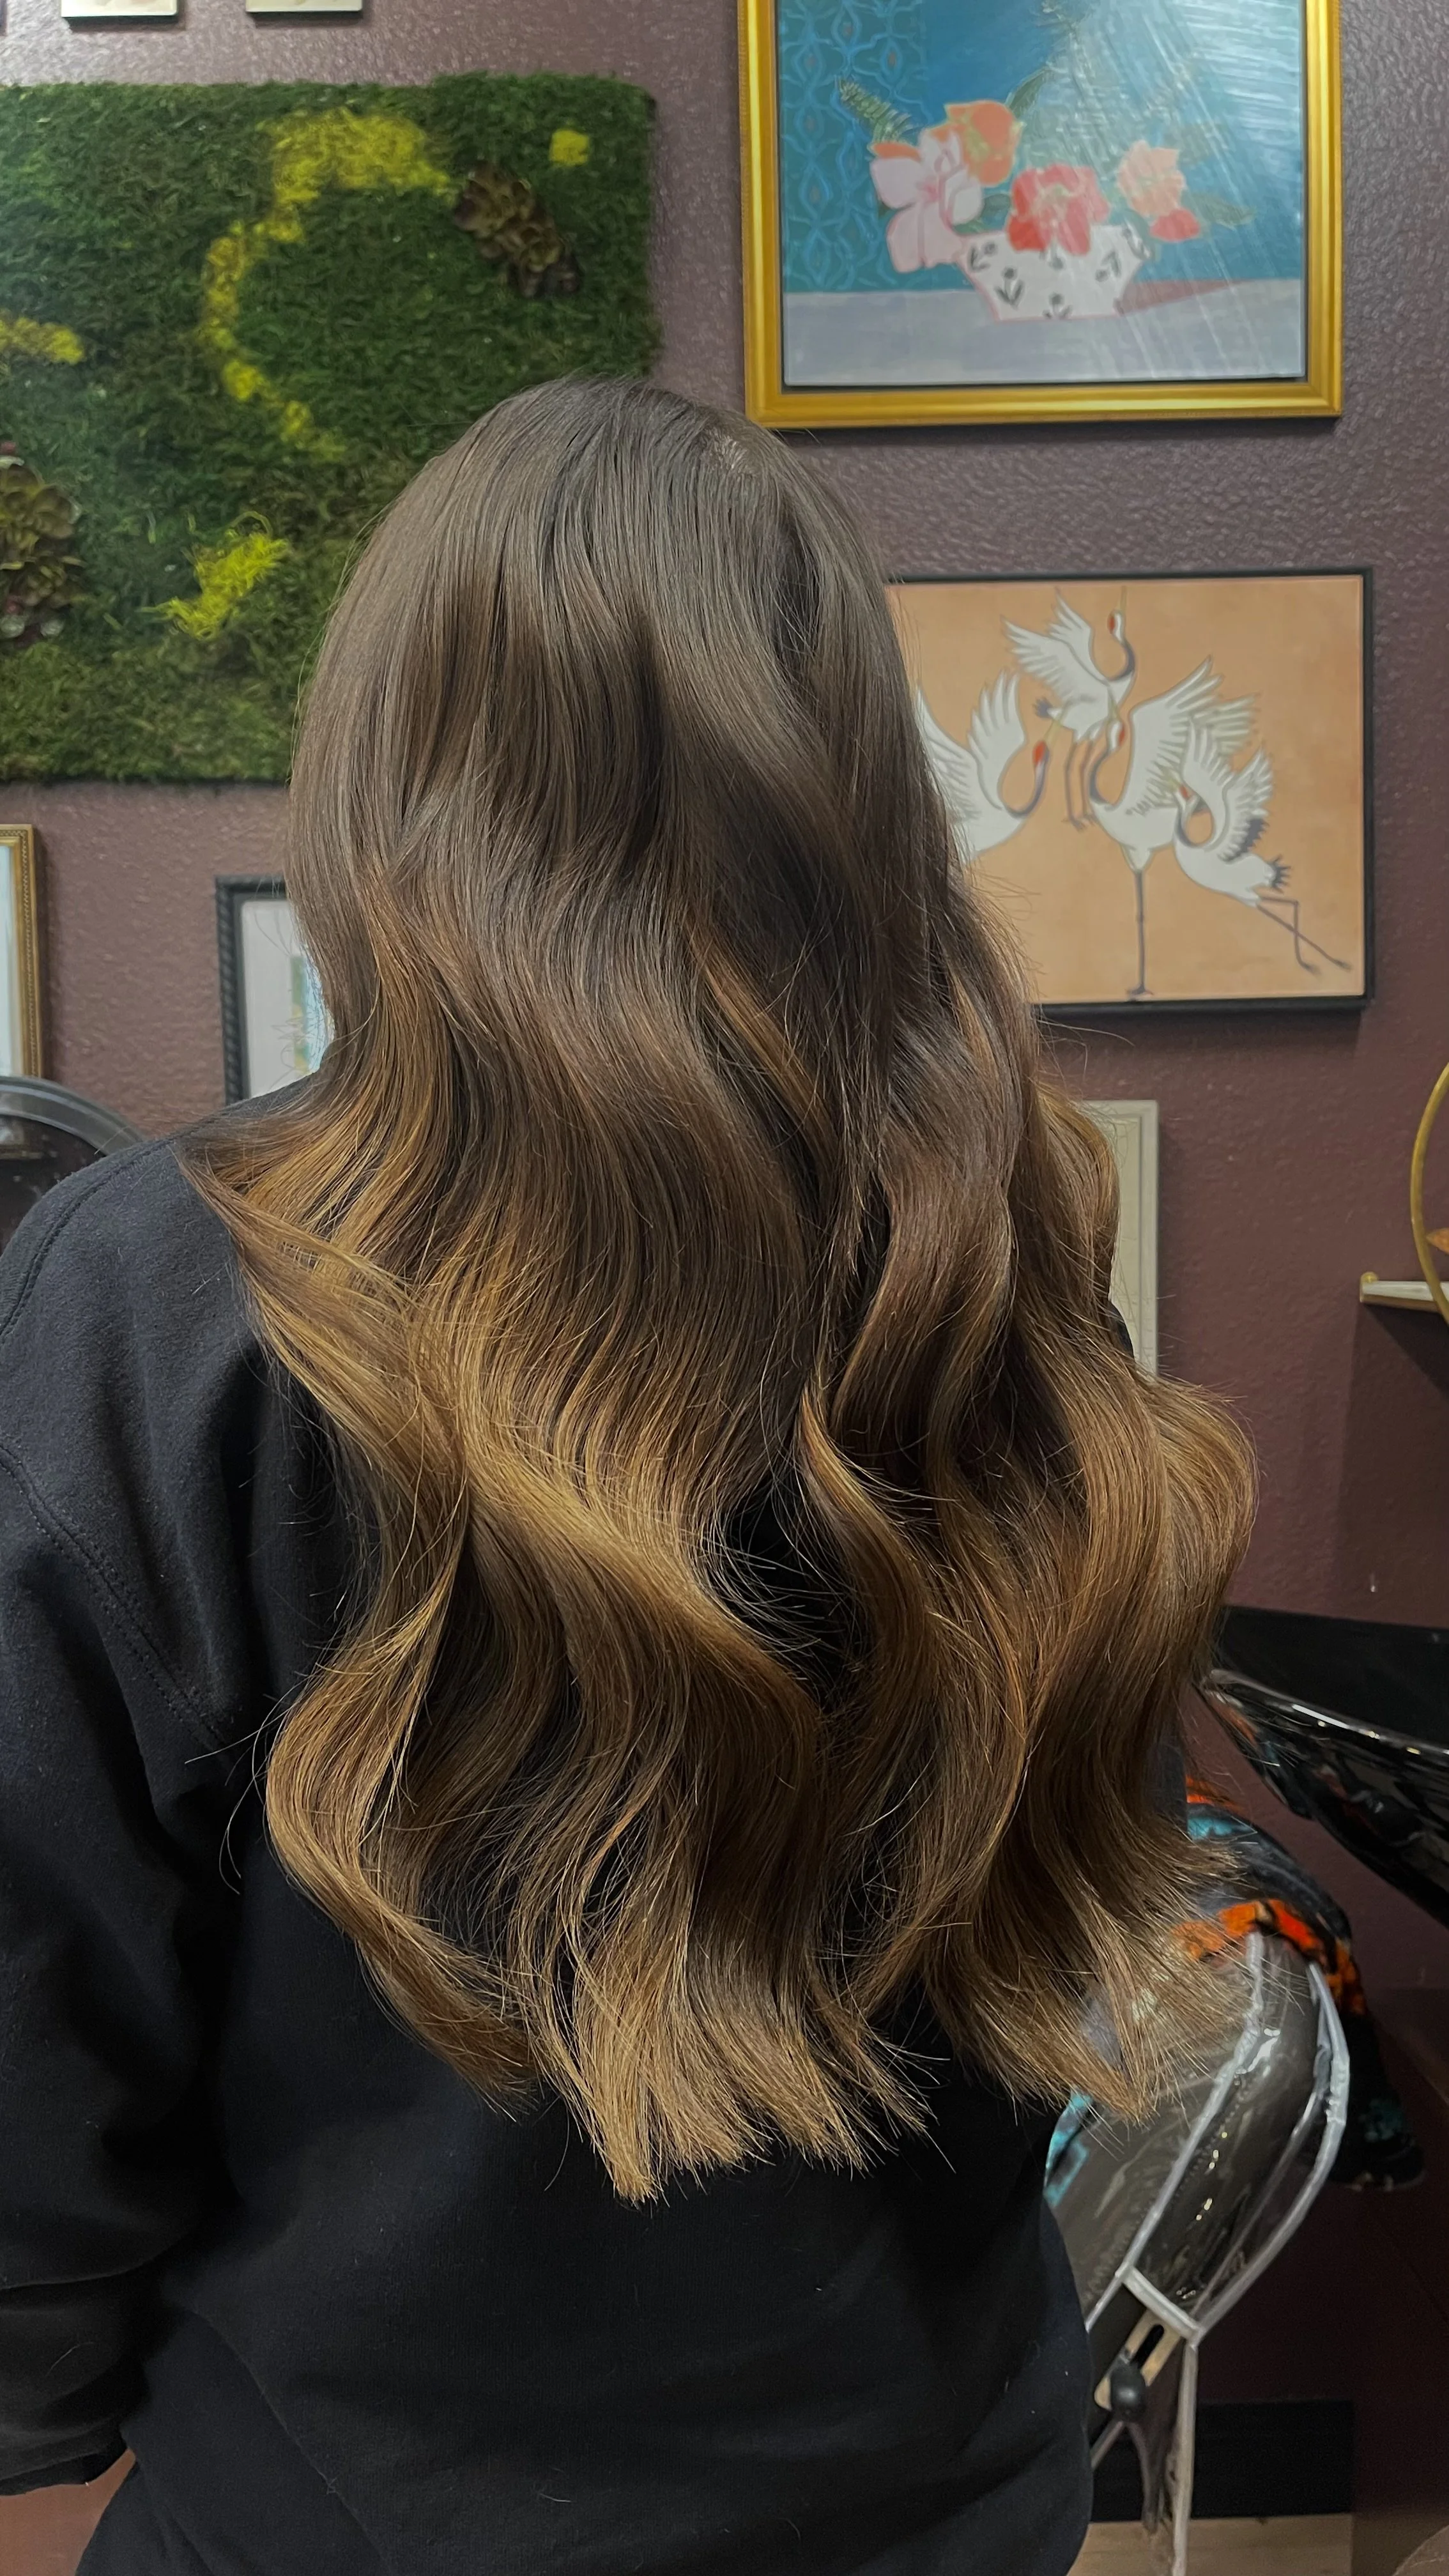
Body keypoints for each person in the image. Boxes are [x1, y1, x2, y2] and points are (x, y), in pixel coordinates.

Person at [0, 379, 1253, 2575]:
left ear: (387, 780)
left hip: (353, 2520)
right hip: (941, 2495)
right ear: (857, 790)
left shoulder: (158, 1300)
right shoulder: (1004, 1271)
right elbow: (1067, 1917)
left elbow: (33, 2017)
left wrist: (51, 2405)